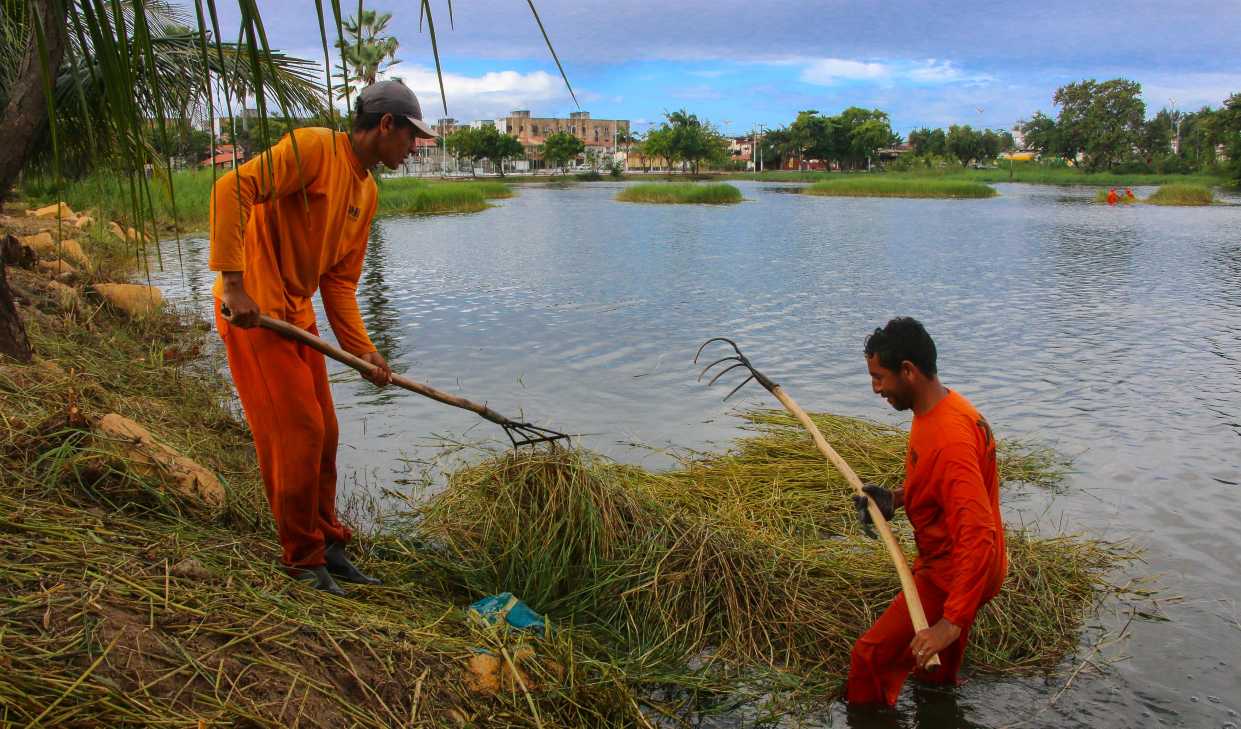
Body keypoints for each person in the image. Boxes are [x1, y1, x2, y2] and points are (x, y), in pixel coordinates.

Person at [208, 80, 437, 595]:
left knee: (327, 434)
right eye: (411, 137)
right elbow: (230, 189)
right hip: (255, 314)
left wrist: (364, 353)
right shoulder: (314, 148)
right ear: (385, 125)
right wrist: (234, 284)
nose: (414, 147)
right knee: (298, 434)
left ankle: (328, 544)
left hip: (297, 313)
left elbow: (339, 283)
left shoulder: (366, 190)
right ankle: (301, 559)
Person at [845, 317, 1006, 706]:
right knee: (933, 671)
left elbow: (978, 534)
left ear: (908, 371)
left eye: (879, 377)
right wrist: (895, 499)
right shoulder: (941, 409)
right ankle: (940, 703)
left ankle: (868, 714)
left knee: (869, 657)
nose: (875, 388)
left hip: (955, 573)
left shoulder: (951, 439)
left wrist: (950, 623)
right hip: (959, 566)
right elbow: (937, 485)